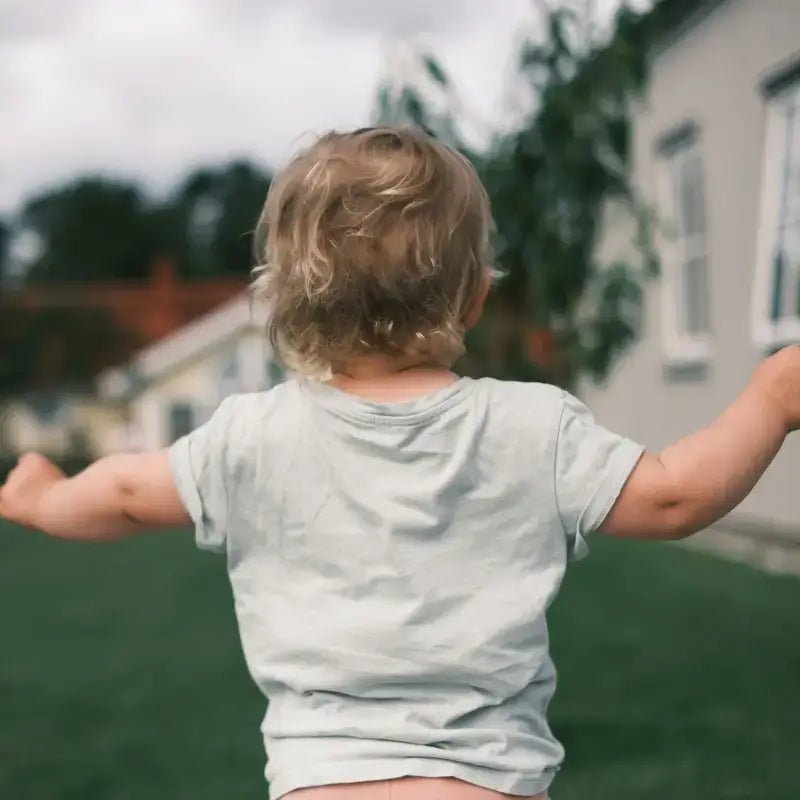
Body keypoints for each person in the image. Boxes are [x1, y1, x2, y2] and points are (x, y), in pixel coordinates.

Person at [1, 127, 797, 800]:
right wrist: (770, 399)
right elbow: (674, 498)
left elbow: (129, 492)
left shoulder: (250, 435)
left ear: (281, 301)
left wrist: (44, 498)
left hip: (324, 781)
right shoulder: (532, 425)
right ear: (476, 297)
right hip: (487, 782)